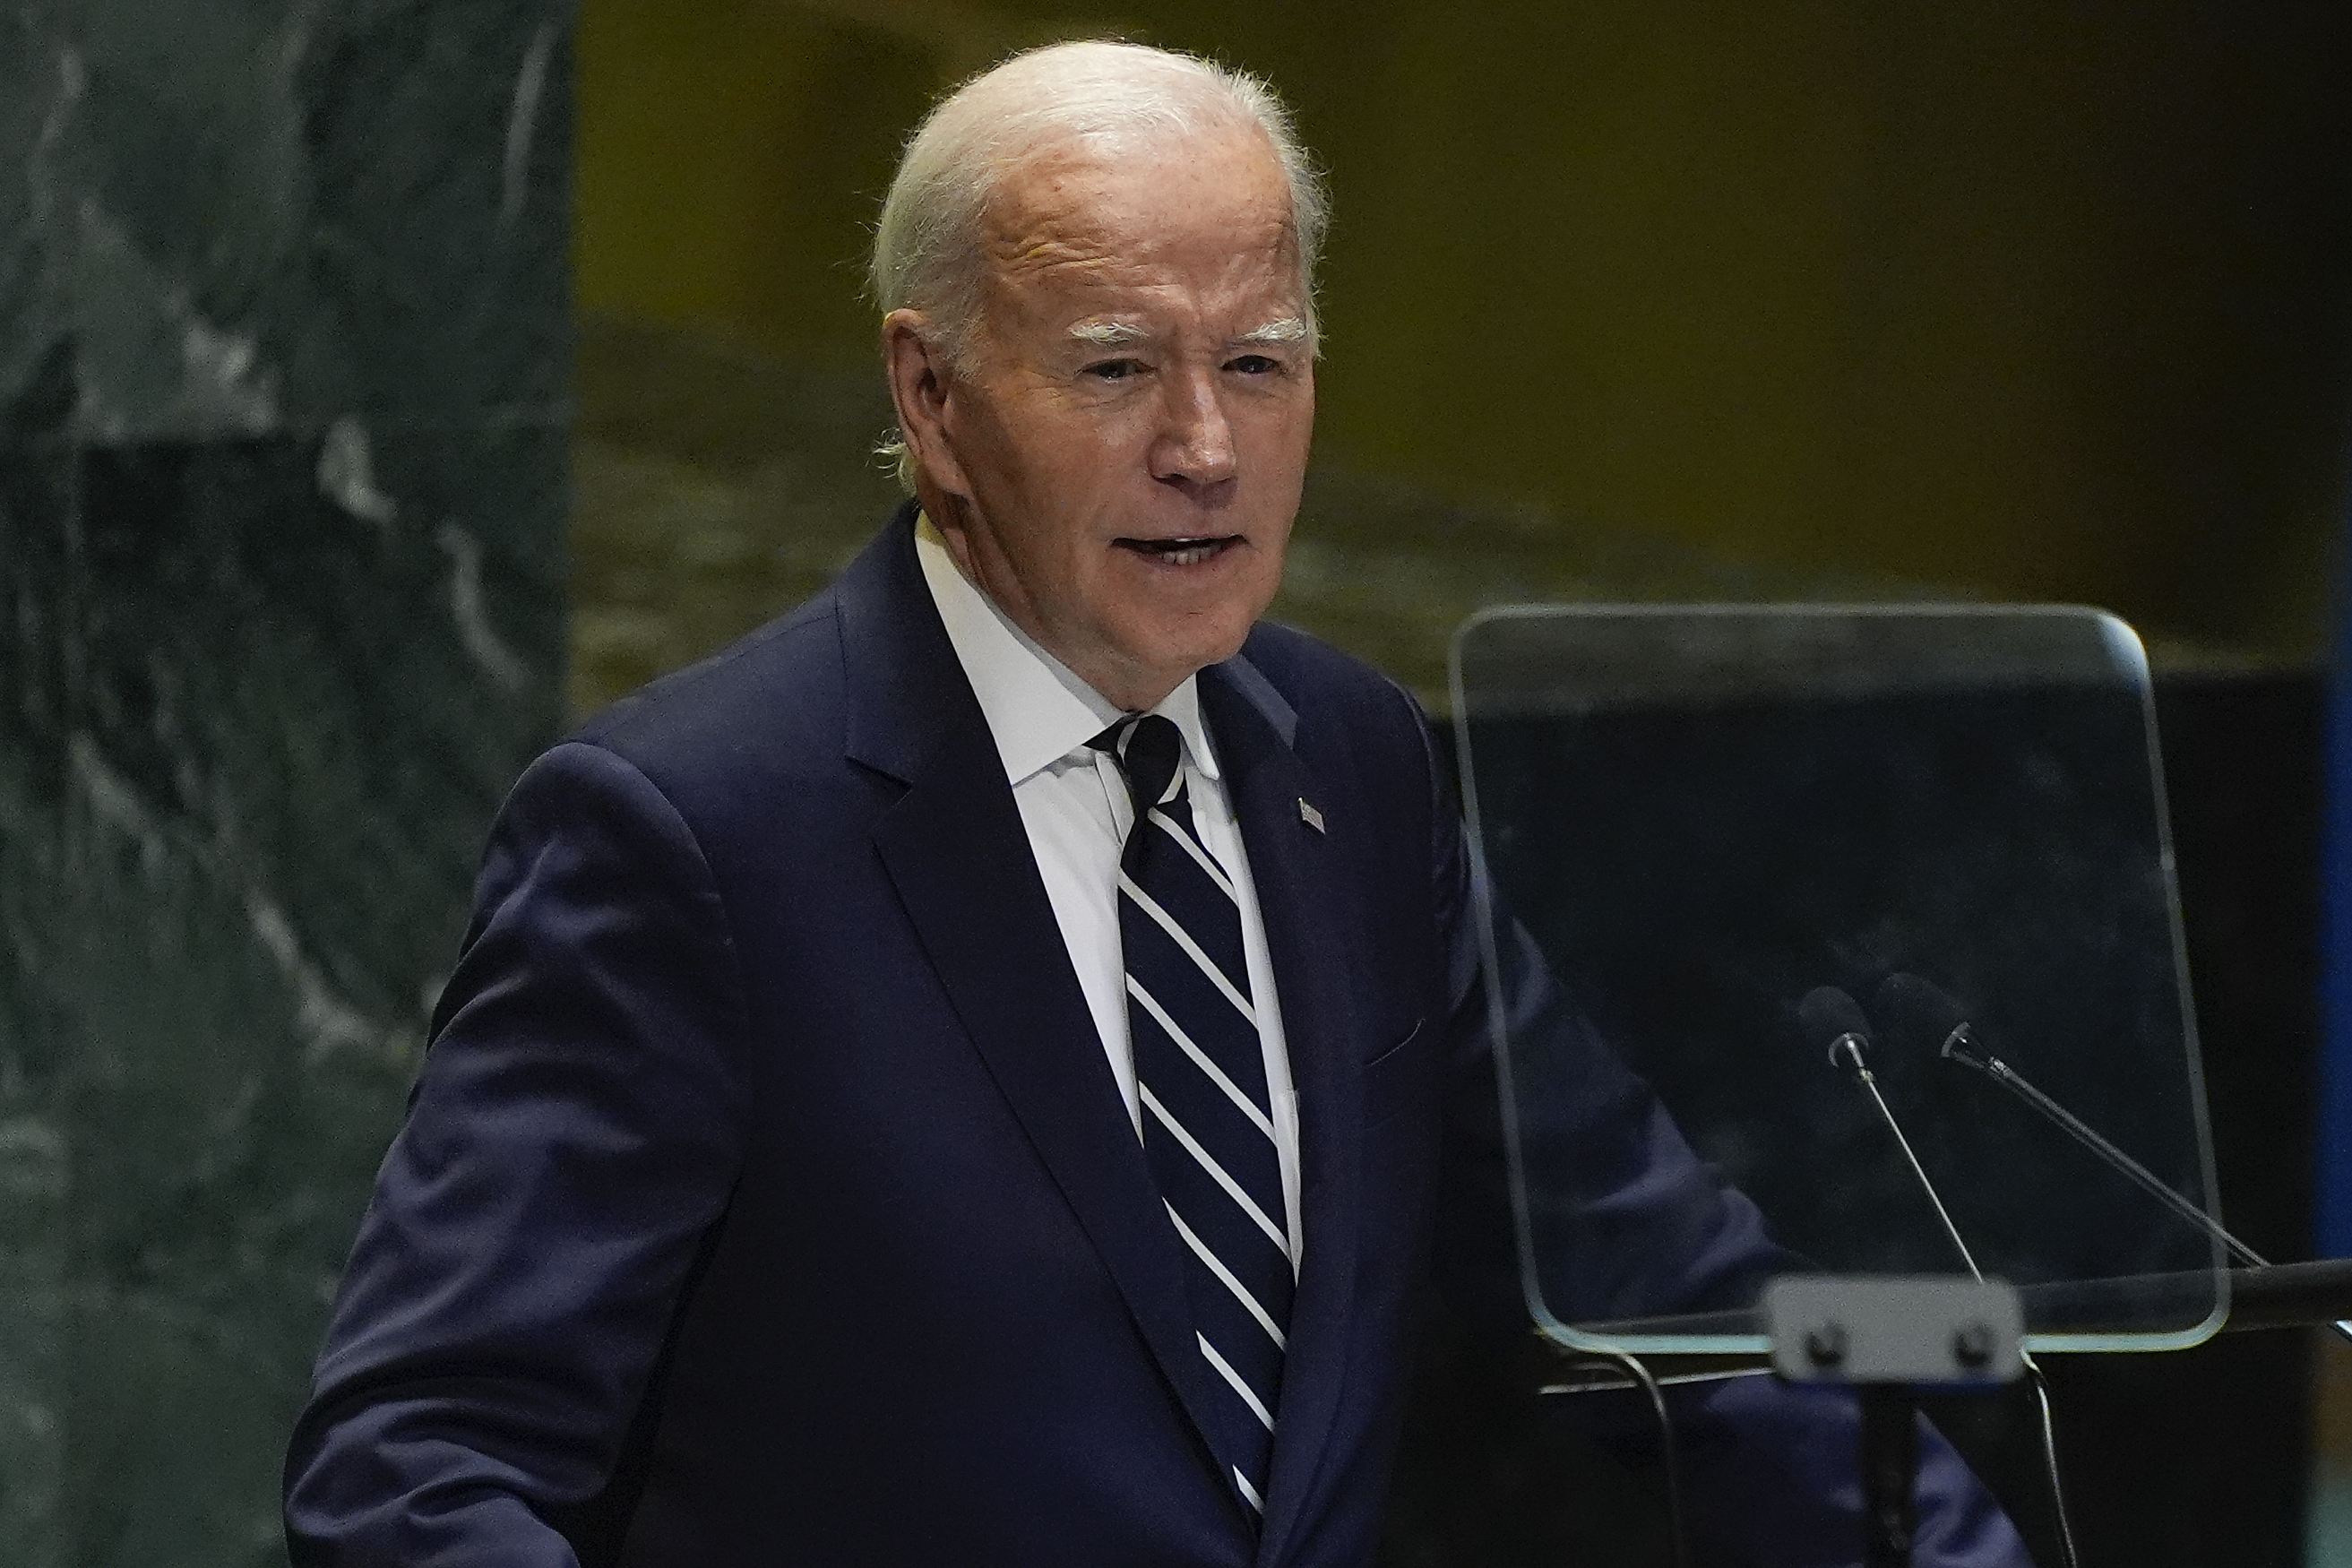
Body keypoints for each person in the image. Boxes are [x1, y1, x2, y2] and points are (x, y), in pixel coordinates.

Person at [284, 39, 2029, 1567]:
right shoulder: (691, 833)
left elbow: (1669, 1292)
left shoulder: (1349, 762)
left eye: (1259, 363)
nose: (1205, 444)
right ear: (931, 395)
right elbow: (422, 1457)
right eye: (1118, 367)